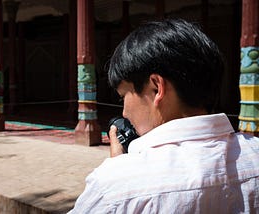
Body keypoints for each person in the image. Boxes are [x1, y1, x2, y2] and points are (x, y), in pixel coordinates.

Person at [68, 19, 259, 213]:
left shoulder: (111, 188)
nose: (124, 112)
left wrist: (119, 170)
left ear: (156, 87)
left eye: (123, 96)